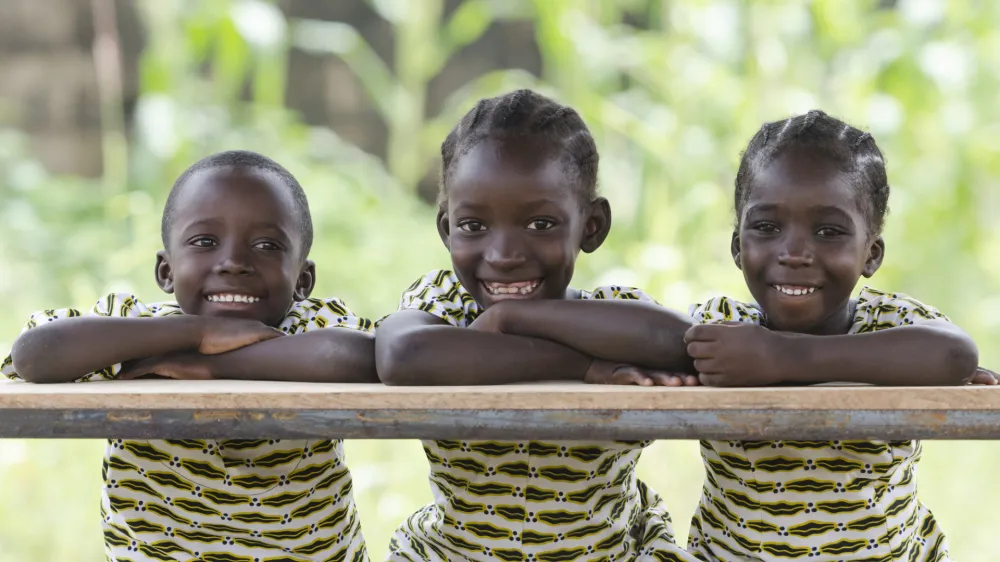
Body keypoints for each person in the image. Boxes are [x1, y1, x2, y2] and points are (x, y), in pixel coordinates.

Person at [3, 150, 375, 561]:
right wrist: (195, 331)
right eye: (204, 242)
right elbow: (35, 354)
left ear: (303, 278)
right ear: (165, 271)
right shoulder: (133, 331)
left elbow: (354, 355)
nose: (234, 263)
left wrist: (212, 366)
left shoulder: (310, 323)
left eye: (267, 245)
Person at [376, 89, 698, 561]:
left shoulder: (615, 316)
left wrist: (512, 315)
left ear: (591, 226)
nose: (504, 255)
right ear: (446, 229)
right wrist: (582, 367)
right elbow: (402, 356)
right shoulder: (444, 308)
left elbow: (684, 343)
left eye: (541, 224)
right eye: (473, 226)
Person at [684, 111, 980, 561]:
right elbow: (647, 338)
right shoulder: (725, 326)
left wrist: (781, 358)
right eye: (766, 227)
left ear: (871, 253)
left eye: (828, 232)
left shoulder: (893, 324)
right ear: (736, 246)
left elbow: (955, 354)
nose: (795, 253)